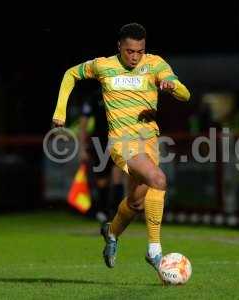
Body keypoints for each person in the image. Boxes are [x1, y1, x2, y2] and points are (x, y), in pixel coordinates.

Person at [51, 23, 191, 277]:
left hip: (149, 141)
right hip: (122, 142)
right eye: (129, 51)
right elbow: (71, 74)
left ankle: (112, 233)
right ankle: (154, 250)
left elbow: (185, 94)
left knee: (137, 203)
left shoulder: (156, 64)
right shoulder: (103, 66)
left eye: (140, 51)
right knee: (158, 178)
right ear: (119, 47)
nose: (135, 56)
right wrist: (60, 111)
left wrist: (174, 87)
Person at [79, 88, 125, 222]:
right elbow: (83, 124)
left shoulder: (121, 94)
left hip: (118, 140)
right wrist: (82, 148)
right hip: (99, 142)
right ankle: (103, 211)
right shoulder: (95, 97)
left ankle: (118, 215)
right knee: (102, 181)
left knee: (118, 177)